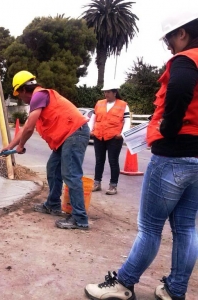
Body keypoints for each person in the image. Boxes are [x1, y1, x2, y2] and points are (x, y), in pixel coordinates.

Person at [85, 10, 198, 300]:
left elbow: (180, 86)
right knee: (186, 227)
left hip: (173, 156)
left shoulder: (187, 60)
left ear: (182, 33)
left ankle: (123, 283)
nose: (170, 46)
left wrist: (169, 130)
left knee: (149, 227)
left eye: (170, 39)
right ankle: (175, 290)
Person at [1, 71, 91, 230]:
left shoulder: (39, 95)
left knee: (70, 174)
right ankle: (53, 205)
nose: (21, 98)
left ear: (23, 89)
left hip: (74, 133)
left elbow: (28, 128)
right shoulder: (39, 100)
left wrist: (21, 146)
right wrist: (10, 146)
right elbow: (26, 127)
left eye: (20, 95)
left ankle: (80, 219)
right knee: (53, 169)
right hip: (65, 137)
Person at [89, 84, 130, 195]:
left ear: (114, 92)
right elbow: (93, 118)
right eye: (105, 92)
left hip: (114, 138)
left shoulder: (123, 105)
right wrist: (90, 130)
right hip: (99, 136)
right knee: (99, 161)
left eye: (108, 92)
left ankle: (113, 186)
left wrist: (122, 134)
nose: (106, 94)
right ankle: (97, 183)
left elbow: (127, 121)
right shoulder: (99, 103)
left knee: (113, 161)